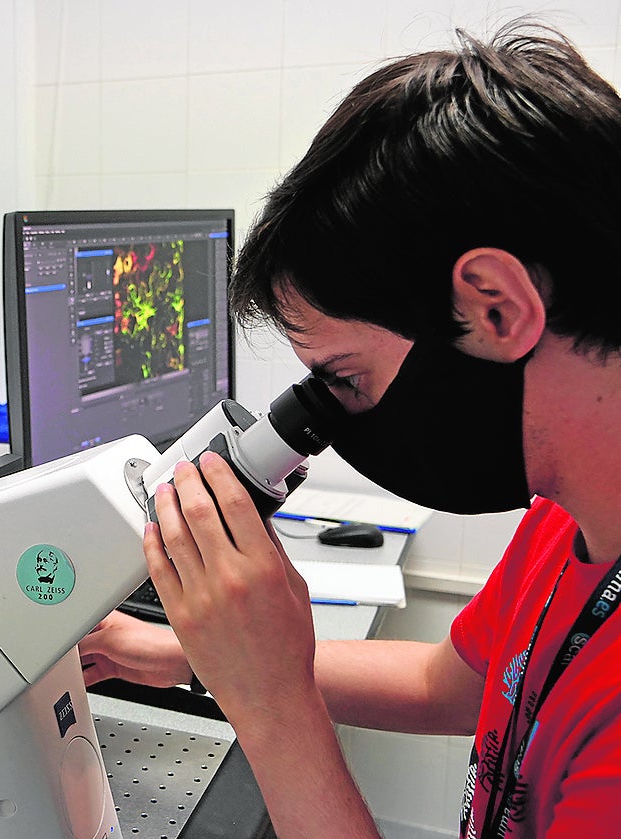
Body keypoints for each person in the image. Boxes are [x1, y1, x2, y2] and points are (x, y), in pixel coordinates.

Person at [80, 23, 621, 839]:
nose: (336, 421)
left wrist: (274, 705)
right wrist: (193, 655)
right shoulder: (574, 513)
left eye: (346, 381)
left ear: (497, 306)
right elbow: (458, 683)